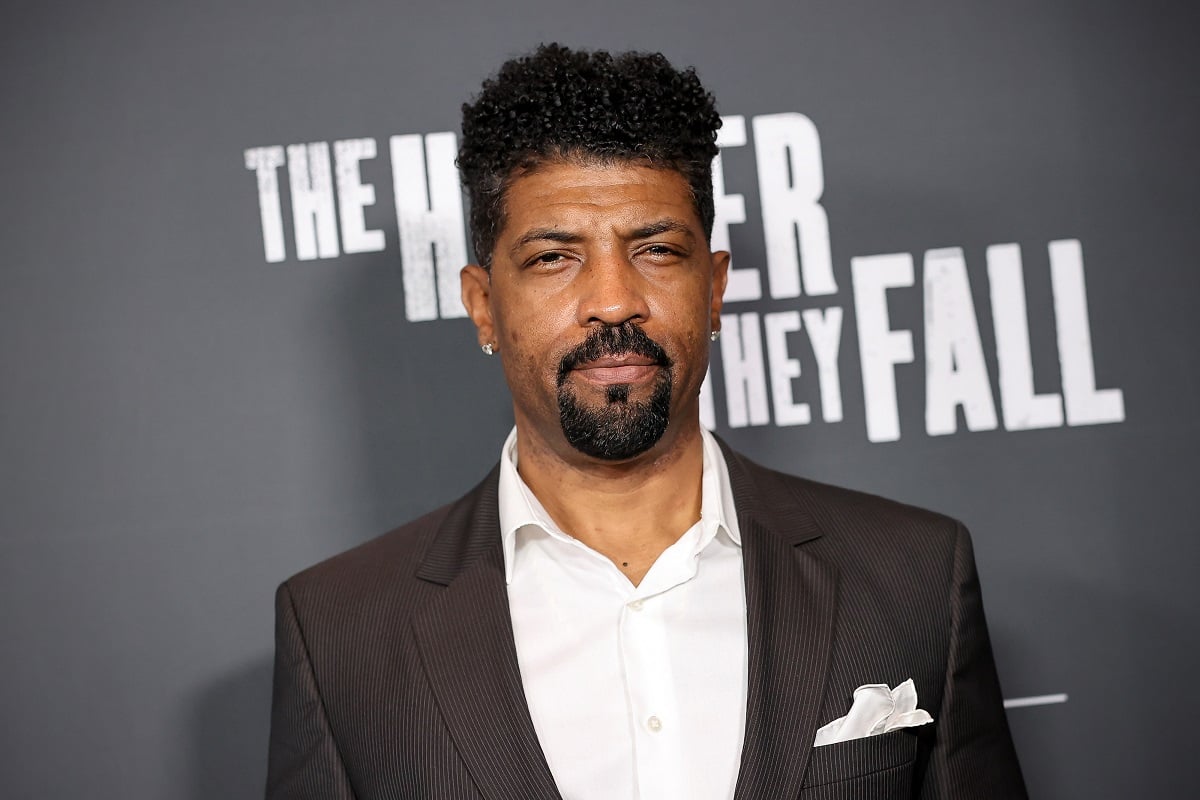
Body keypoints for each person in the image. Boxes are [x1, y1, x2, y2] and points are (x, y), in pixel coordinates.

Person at [265, 44, 1027, 799]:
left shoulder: (912, 574)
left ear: (714, 288)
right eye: (554, 257)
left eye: (656, 250)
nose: (613, 300)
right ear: (483, 305)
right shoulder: (338, 639)